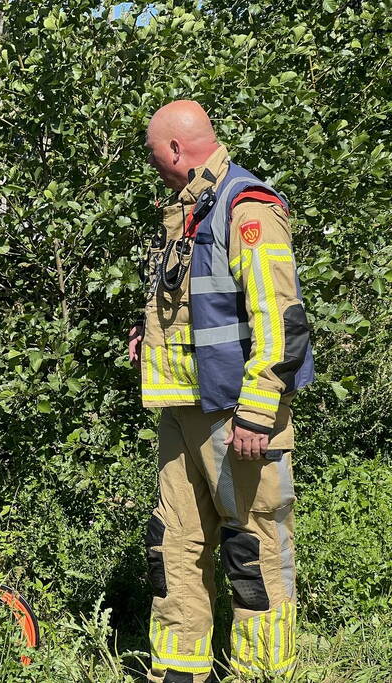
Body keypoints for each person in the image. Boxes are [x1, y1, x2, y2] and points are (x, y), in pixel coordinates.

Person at [130, 101, 314, 682]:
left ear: (177, 150)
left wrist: (259, 413)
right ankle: (180, 673)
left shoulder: (246, 205)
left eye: (155, 153)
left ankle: (263, 673)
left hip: (238, 416)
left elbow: (280, 320)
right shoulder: (189, 209)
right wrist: (148, 333)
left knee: (253, 553)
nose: (153, 165)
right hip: (184, 413)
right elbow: (196, 305)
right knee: (174, 545)